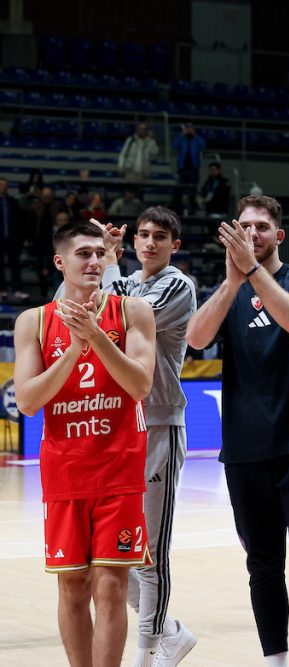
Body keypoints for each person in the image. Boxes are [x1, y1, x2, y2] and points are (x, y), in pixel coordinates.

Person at [185, 195, 289, 666]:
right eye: (244, 226)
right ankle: (276, 661)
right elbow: (195, 338)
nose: (252, 234)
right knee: (263, 566)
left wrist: (253, 273)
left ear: (279, 235)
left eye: (261, 227)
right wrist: (233, 283)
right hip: (246, 450)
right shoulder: (230, 289)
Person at [13, 220, 156, 667]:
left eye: (100, 253)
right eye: (83, 254)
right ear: (60, 262)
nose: (95, 261)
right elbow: (28, 401)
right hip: (65, 471)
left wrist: (95, 337)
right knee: (71, 585)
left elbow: (139, 385)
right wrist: (74, 351)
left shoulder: (132, 311)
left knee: (110, 584)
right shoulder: (33, 321)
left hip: (120, 469)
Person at [82, 207, 198, 666]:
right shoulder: (126, 280)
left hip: (158, 425)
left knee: (150, 552)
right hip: (117, 426)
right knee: (105, 551)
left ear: (175, 245)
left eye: (160, 236)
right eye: (143, 235)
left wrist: (108, 264)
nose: (149, 242)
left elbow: (121, 318)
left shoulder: (177, 285)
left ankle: (148, 654)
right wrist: (105, 260)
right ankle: (170, 631)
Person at [0, 176, 29, 301]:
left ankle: (17, 289)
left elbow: (19, 222)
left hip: (12, 238)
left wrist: (20, 239)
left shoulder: (12, 201)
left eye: (5, 185)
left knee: (15, 265)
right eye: (1, 185)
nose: (3, 187)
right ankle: (2, 290)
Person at [172, 123, 206, 215]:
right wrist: (182, 135)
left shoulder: (197, 139)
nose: (189, 130)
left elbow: (203, 146)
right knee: (179, 190)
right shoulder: (182, 139)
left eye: (191, 129)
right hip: (182, 168)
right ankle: (177, 210)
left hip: (193, 168)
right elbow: (175, 146)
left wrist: (195, 135)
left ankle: (192, 211)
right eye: (188, 129)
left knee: (192, 190)